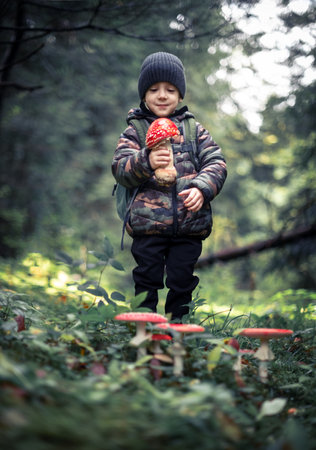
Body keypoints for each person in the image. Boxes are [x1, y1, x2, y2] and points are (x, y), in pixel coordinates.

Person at [112, 52, 227, 321]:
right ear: (143, 94)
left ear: (180, 95)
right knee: (147, 278)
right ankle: (145, 328)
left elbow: (217, 163)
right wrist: (146, 159)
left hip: (189, 225)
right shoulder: (135, 131)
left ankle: (179, 330)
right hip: (147, 226)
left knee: (182, 280)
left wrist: (201, 187)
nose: (162, 95)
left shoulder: (194, 130)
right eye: (154, 89)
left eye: (170, 89)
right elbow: (120, 169)